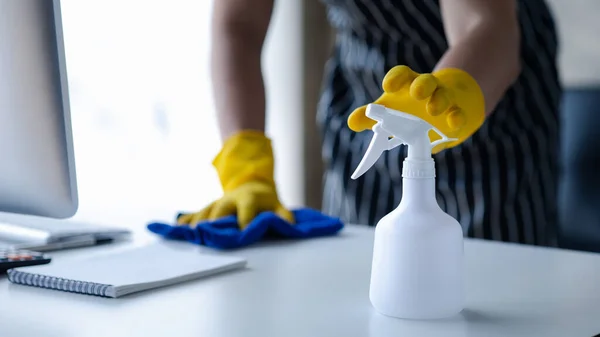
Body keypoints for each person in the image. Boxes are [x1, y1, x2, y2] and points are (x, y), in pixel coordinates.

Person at [177, 0, 561, 247]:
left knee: (492, 282)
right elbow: (239, 26)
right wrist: (247, 168)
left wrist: (450, 96)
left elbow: (485, 25)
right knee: (363, 264)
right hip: (366, 95)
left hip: (484, 90)